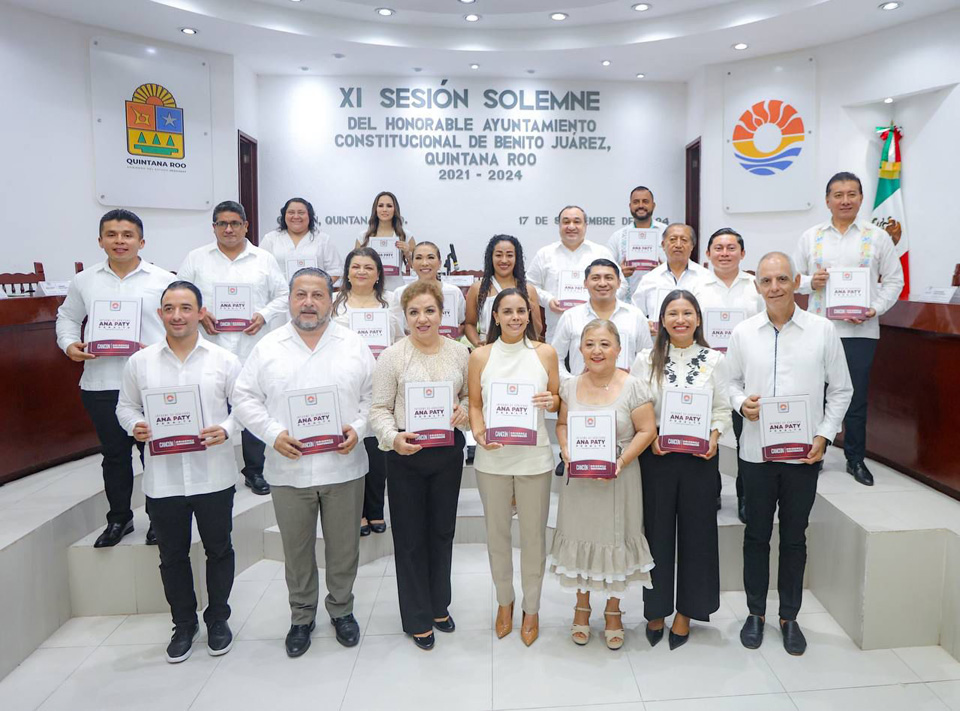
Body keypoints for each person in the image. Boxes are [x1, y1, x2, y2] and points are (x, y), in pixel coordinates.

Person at [232, 267, 374, 657]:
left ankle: (342, 610)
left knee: (344, 548)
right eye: (300, 295)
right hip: (288, 469)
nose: (308, 302)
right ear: (290, 299)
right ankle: (301, 616)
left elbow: (372, 396)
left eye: (317, 295)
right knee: (296, 550)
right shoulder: (268, 346)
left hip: (343, 465)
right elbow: (244, 398)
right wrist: (273, 433)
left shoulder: (353, 344)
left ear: (332, 299)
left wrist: (359, 429)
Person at [726, 252, 853, 656]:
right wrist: (741, 401)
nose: (775, 287)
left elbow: (841, 389)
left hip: (803, 457)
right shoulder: (744, 333)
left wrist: (825, 434)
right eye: (767, 280)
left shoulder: (822, 330)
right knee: (756, 535)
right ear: (757, 286)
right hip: (756, 454)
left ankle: (789, 616)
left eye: (782, 278)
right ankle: (755, 614)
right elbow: (728, 381)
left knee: (795, 537)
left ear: (796, 280)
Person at [115, 281, 241, 663]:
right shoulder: (140, 362)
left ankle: (218, 618)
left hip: (213, 474)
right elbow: (125, 407)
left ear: (201, 312)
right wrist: (134, 426)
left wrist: (227, 430)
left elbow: (245, 407)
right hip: (164, 478)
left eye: (186, 307)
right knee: (172, 555)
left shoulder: (224, 360)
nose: (177, 315)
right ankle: (183, 624)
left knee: (219, 549)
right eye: (169, 308)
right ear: (160, 314)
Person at [56, 209, 174, 547]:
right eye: (111, 235)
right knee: (114, 456)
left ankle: (158, 519)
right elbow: (67, 318)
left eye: (127, 235)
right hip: (101, 382)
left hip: (150, 382)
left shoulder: (162, 280)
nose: (119, 241)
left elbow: (179, 326)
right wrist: (69, 344)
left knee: (153, 454)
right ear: (100, 241)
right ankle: (120, 519)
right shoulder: (85, 280)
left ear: (141, 241)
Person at [368, 280, 470, 650]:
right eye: (414, 312)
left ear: (442, 314)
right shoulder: (392, 356)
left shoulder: (460, 354)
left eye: (430, 311)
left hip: (446, 455)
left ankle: (439, 604)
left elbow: (469, 402)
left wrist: (463, 413)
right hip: (404, 455)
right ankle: (416, 616)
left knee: (442, 532)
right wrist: (393, 438)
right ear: (404, 316)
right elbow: (378, 409)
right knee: (410, 539)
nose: (422, 318)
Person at [630, 290, 731, 649]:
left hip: (700, 461)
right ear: (661, 321)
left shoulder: (715, 359)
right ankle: (656, 608)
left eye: (687, 313)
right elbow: (639, 404)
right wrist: (651, 434)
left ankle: (688, 611)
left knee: (697, 535)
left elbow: (722, 406)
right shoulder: (647, 359)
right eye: (672, 313)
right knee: (656, 533)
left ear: (699, 319)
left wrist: (716, 436)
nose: (680, 320)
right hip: (657, 456)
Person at [793, 171, 904, 487]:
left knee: (855, 398)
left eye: (851, 194)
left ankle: (855, 459)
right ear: (827, 200)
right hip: (818, 330)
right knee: (817, 395)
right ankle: (815, 455)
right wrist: (808, 282)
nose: (845, 200)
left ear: (860, 198)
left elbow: (895, 280)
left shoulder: (877, 237)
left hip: (860, 331)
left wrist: (875, 308)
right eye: (838, 195)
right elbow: (790, 278)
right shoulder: (811, 237)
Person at [552, 319, 658, 650]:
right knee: (582, 538)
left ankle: (614, 610)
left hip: (619, 479)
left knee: (614, 540)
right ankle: (581, 607)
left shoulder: (634, 386)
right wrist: (567, 450)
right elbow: (562, 424)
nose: (597, 351)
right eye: (589, 344)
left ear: (618, 348)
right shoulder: (570, 386)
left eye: (604, 344)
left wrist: (621, 462)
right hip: (580, 482)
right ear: (580, 349)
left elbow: (647, 431)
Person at [177, 200, 289, 497]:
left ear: (246, 226)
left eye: (235, 223)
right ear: (213, 227)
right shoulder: (196, 258)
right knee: (211, 409)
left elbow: (283, 295)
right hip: (209, 348)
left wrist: (264, 314)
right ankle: (212, 469)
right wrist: (200, 313)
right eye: (222, 224)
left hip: (252, 347)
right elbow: (180, 294)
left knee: (253, 407)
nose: (229, 229)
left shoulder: (263, 259)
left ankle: (255, 471)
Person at [467, 288, 559, 647]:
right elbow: (475, 404)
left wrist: (552, 399)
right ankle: (504, 603)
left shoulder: (545, 354)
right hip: (493, 460)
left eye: (522, 311)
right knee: (498, 537)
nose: (516, 317)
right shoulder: (480, 356)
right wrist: (478, 432)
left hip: (534, 459)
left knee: (534, 538)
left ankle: (531, 608)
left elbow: (556, 401)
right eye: (508, 311)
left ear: (531, 315)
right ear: (495, 316)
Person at [332, 247, 405, 537]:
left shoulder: (390, 305)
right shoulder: (335, 306)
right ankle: (357, 511)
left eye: (368, 267)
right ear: (347, 272)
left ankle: (374, 509)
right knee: (352, 444)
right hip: (346, 387)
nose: (361, 271)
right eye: (356, 266)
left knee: (378, 450)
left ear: (378, 275)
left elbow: (400, 342)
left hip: (381, 385)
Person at [693, 228, 764, 521]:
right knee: (707, 432)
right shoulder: (697, 287)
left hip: (744, 374)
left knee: (744, 437)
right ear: (708, 254)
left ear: (743, 253)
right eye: (718, 248)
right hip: (705, 372)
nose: (725, 253)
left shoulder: (756, 286)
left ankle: (746, 496)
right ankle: (711, 493)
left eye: (731, 248)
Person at [551, 258, 653, 380]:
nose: (602, 283)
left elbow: (647, 358)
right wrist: (572, 382)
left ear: (619, 283)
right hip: (581, 394)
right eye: (595, 278)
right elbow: (555, 358)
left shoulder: (635, 315)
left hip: (625, 393)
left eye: (609, 278)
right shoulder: (570, 316)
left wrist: (633, 380)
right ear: (585, 283)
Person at [527, 205, 617, 339]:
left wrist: (602, 300)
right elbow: (529, 286)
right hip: (557, 331)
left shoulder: (601, 253)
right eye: (566, 222)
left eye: (576, 221)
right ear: (559, 225)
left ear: (585, 225)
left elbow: (621, 284)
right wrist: (548, 300)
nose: (571, 226)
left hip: (596, 332)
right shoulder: (544, 254)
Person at [465, 234, 543, 346]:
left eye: (510, 255)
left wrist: (529, 306)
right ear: (491, 257)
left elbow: (537, 329)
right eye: (498, 255)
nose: (504, 260)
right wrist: (477, 344)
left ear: (517, 258)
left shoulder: (528, 290)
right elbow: (469, 324)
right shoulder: (478, 288)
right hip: (488, 349)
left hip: (520, 348)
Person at [632, 224, 710, 335]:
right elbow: (636, 313)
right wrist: (645, 324)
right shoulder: (649, 279)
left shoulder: (706, 277)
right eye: (673, 240)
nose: (678, 245)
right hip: (658, 345)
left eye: (684, 240)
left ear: (692, 246)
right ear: (663, 245)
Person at [390, 242, 466, 340]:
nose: (425, 263)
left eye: (430, 257)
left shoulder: (454, 292)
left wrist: (452, 336)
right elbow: (397, 329)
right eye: (418, 258)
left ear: (439, 263)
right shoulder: (400, 293)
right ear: (412, 263)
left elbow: (463, 324)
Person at [260, 197, 343, 282]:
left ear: (309, 216)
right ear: (284, 215)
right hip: (278, 294)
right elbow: (259, 268)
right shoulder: (270, 239)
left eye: (301, 213)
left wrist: (318, 287)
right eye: (291, 212)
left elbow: (335, 271)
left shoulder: (323, 239)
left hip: (314, 293)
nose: (296, 216)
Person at [606, 185, 667, 293]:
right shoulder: (618, 237)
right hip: (626, 301)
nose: (640, 205)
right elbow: (606, 270)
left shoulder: (667, 233)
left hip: (660, 297)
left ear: (653, 205)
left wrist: (663, 270)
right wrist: (619, 273)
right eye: (636, 202)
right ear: (630, 206)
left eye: (645, 201)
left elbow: (679, 266)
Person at [357, 191, 416, 292]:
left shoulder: (406, 235)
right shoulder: (363, 236)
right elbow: (356, 264)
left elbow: (415, 266)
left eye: (389, 206)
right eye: (380, 206)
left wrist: (407, 252)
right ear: (375, 209)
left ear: (395, 209)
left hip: (395, 288)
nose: (384, 209)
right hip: (370, 288)